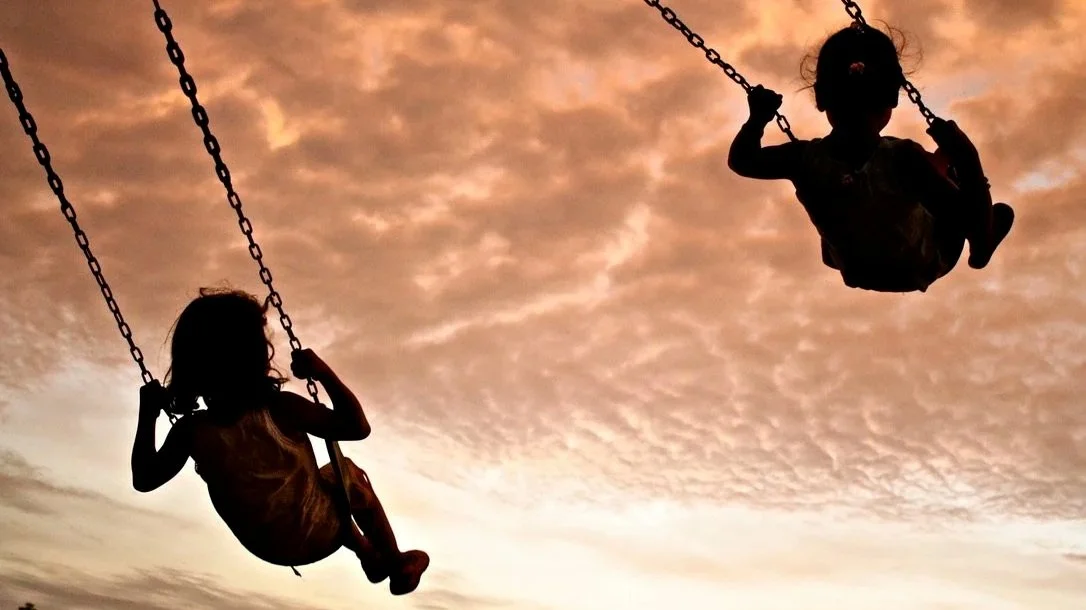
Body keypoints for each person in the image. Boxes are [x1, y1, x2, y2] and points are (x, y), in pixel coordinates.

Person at [130, 288, 428, 595]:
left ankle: (367, 553)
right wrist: (323, 372)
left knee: (318, 488)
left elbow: (144, 478)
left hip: (268, 546)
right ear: (256, 354)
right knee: (347, 475)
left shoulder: (191, 432)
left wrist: (148, 415)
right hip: (319, 532)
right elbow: (357, 427)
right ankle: (395, 562)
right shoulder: (282, 409)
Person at [727, 23, 1014, 293]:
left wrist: (757, 119)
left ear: (820, 98)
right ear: (893, 98)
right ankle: (982, 247)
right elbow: (965, 218)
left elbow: (742, 160)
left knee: (927, 169)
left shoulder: (803, 158)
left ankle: (946, 168)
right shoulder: (904, 159)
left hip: (857, 269)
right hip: (921, 263)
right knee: (952, 179)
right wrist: (967, 157)